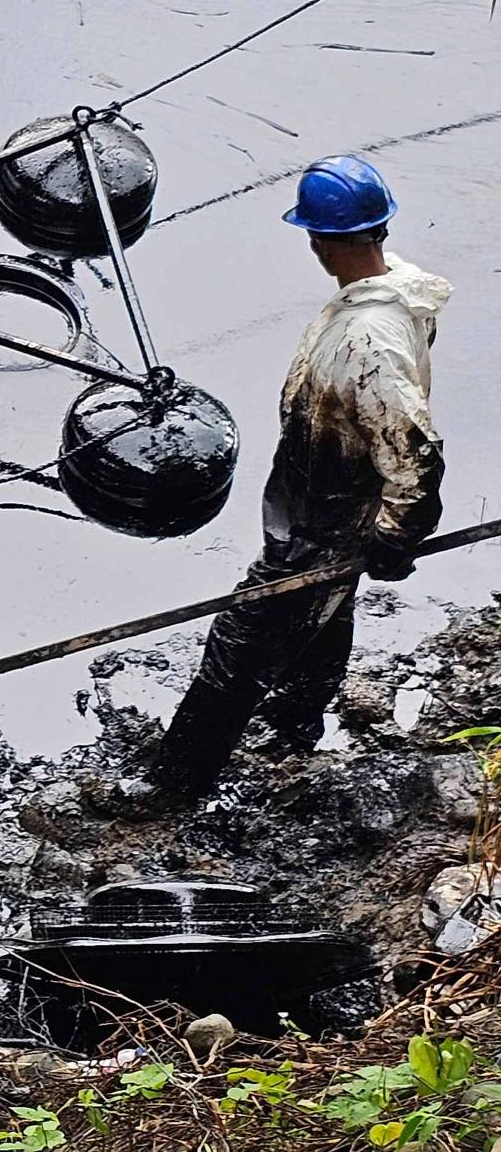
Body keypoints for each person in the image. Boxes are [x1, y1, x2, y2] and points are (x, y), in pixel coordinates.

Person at [144, 157, 447, 802]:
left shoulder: (369, 338)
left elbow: (413, 452)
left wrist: (398, 535)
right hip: (324, 498)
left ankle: (173, 786)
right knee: (325, 612)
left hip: (326, 513)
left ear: (324, 239)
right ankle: (291, 733)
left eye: (313, 234)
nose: (310, 245)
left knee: (238, 639)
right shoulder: (395, 294)